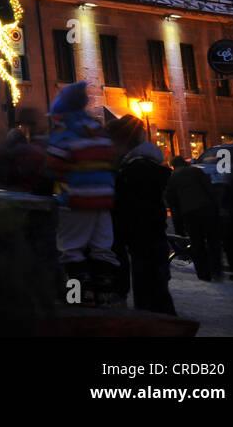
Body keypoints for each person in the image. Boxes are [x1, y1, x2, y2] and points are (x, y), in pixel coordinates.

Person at [46, 82, 119, 302]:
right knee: (102, 247)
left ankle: (77, 296)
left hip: (77, 197)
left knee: (70, 248)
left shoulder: (67, 132)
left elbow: (54, 163)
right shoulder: (98, 129)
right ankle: (106, 293)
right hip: (104, 197)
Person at [105, 114, 175, 313]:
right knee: (154, 297)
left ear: (122, 142)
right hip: (148, 242)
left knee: (152, 301)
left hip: (145, 242)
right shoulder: (140, 165)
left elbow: (135, 211)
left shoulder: (135, 169)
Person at [165, 155, 222, 282]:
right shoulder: (196, 171)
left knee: (197, 243)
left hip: (190, 213)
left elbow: (172, 201)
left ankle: (203, 274)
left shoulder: (173, 177)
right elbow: (209, 189)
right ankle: (216, 271)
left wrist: (179, 225)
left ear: (174, 165)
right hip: (207, 209)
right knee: (213, 241)